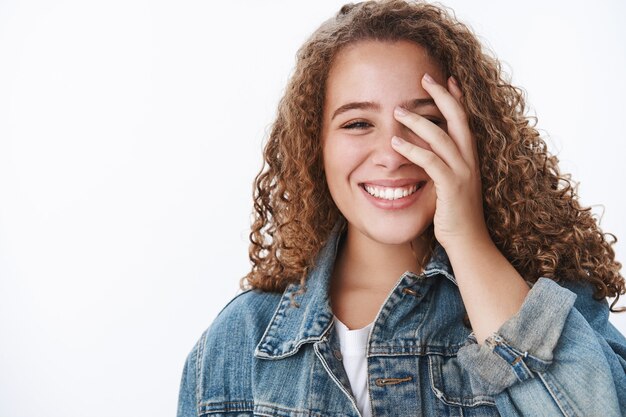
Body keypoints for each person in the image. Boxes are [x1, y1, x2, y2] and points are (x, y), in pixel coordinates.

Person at [177, 1, 626, 416]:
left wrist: (466, 236)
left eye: (425, 122)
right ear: (316, 146)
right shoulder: (240, 340)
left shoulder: (552, 307)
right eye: (357, 123)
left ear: (472, 137)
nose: (392, 155)